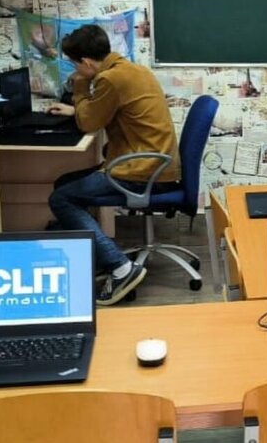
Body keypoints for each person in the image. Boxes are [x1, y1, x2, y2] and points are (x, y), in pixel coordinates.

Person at [47, 24, 181, 305]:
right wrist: (77, 108)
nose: (74, 70)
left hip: (142, 170)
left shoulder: (110, 79)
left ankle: (120, 267)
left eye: (74, 64)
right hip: (155, 162)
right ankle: (99, 255)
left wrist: (80, 86)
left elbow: (88, 122)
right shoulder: (131, 70)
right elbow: (101, 112)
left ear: (86, 62)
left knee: (61, 198)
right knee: (65, 184)